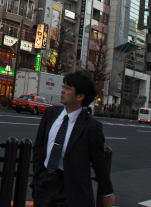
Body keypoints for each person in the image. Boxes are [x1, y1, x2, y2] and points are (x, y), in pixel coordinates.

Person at [31, 70, 115, 207]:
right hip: (44, 184)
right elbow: (39, 146)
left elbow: (99, 163)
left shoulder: (91, 127)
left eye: (68, 88)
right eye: (63, 87)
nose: (63, 91)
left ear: (80, 96)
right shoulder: (50, 114)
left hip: (72, 190)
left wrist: (107, 192)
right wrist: (38, 175)